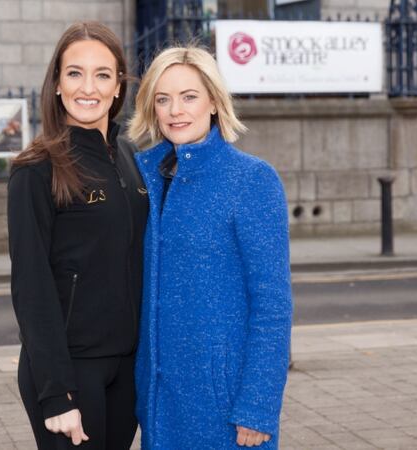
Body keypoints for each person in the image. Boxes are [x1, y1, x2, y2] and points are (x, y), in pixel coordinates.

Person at [127, 46, 292, 449]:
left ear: (215, 102)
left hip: (225, 407)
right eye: (162, 99)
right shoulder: (142, 176)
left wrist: (257, 405)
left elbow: (272, 304)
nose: (175, 110)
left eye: (189, 96)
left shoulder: (251, 180)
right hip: (159, 402)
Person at [6, 21, 148, 450]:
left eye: (103, 74)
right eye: (75, 73)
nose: (89, 87)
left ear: (119, 86)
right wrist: (55, 393)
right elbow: (31, 288)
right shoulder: (35, 169)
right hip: (70, 372)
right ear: (56, 83)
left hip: (126, 368)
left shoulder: (129, 156)